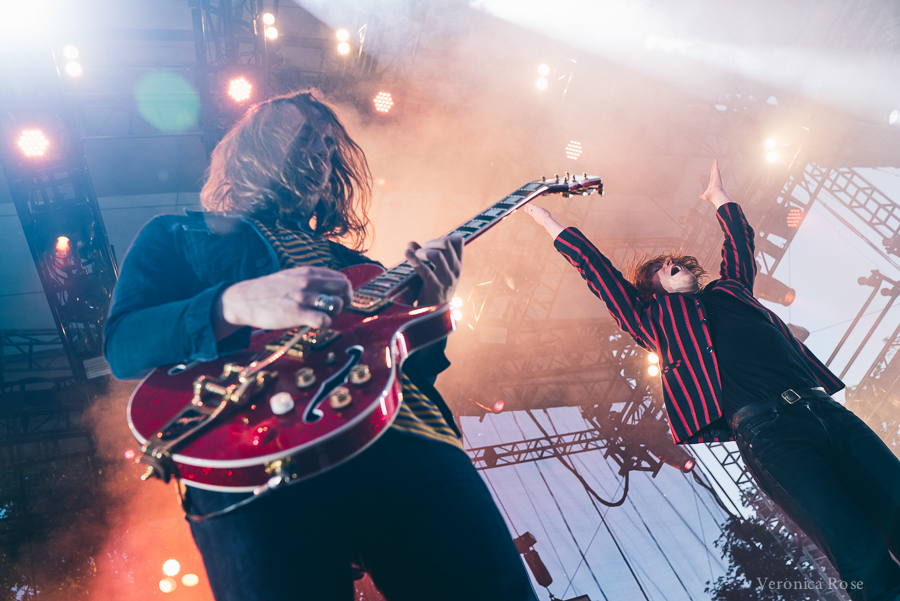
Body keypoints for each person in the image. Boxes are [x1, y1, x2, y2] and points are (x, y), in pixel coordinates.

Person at [104, 91, 537, 601]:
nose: (320, 155)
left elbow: (410, 376)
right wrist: (236, 303)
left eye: (329, 147)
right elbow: (125, 344)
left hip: (407, 438)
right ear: (252, 148)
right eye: (305, 137)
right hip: (252, 456)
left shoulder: (366, 269)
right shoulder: (177, 234)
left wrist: (433, 308)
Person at [525, 160, 900, 601]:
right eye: (660, 268)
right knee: (855, 545)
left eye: (672, 261)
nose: (670, 263)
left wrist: (720, 200)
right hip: (770, 434)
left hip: (825, 411)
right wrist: (541, 215)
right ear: (652, 290)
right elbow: (599, 274)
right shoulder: (650, 321)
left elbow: (740, 244)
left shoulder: (729, 289)